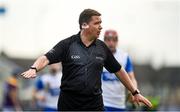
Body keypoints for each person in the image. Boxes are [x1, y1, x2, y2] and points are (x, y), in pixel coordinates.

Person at [21, 8, 152, 111]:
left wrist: (135, 92)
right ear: (84, 25)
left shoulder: (102, 47)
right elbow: (45, 58)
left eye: (101, 23)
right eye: (97, 23)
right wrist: (34, 68)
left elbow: (119, 71)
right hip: (69, 105)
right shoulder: (67, 44)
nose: (100, 27)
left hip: (94, 105)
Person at [102, 29, 138, 111]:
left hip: (119, 104)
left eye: (114, 40)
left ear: (117, 41)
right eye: (108, 40)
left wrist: (134, 91)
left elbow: (132, 78)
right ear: (104, 41)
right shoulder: (99, 56)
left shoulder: (125, 57)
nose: (111, 43)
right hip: (103, 103)